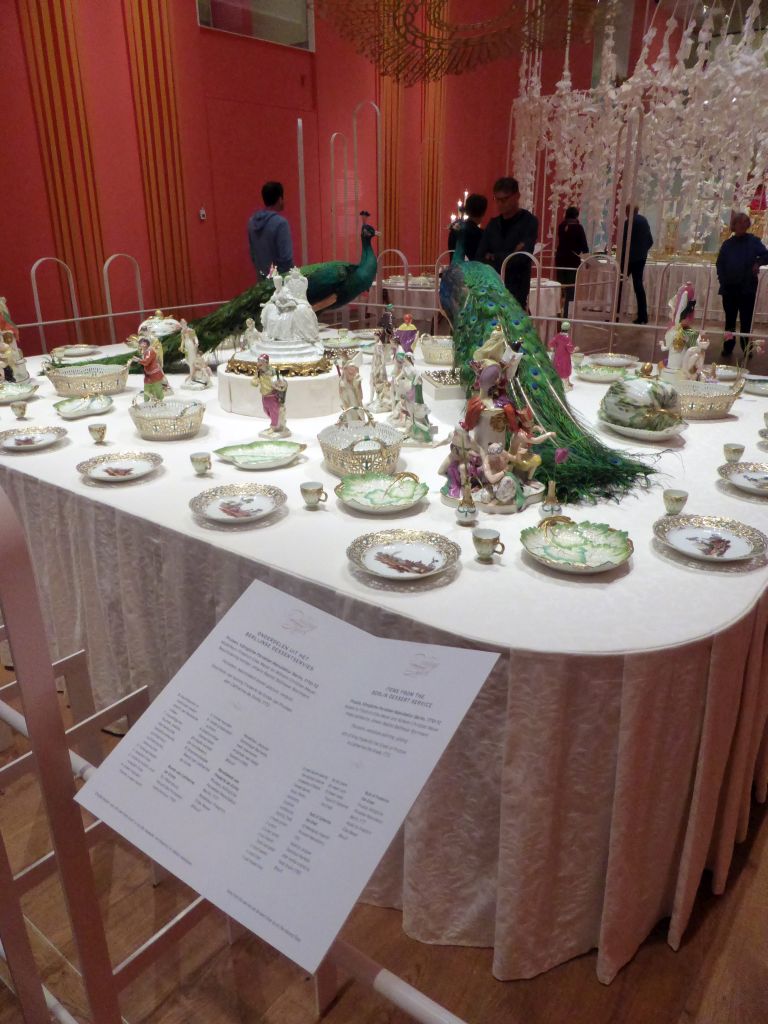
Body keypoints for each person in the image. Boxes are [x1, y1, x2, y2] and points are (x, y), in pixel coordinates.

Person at [475, 177, 538, 309]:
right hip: (491, 290)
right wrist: (509, 254)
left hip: (516, 290)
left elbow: (521, 258)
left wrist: (493, 256)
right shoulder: (493, 224)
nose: (500, 204)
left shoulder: (529, 222)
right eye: (497, 199)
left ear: (517, 196)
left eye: (504, 199)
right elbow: (479, 257)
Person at [716, 212, 768, 358]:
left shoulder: (753, 241)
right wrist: (722, 279)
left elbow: (766, 255)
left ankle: (747, 348)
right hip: (729, 288)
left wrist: (758, 263)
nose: (742, 225)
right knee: (730, 320)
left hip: (747, 287)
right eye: (739, 223)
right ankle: (728, 347)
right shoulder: (727, 244)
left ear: (747, 225)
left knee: (746, 320)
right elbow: (720, 263)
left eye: (745, 223)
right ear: (734, 225)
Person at [247, 181, 293, 278]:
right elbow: (286, 260)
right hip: (280, 283)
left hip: (262, 282)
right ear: (280, 199)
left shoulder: (251, 222)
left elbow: (253, 255)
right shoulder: (281, 223)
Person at [618, 206, 654, 324]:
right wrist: (642, 251)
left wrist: (623, 255)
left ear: (628, 211)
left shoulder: (629, 222)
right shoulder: (644, 221)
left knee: (620, 284)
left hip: (628, 258)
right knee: (638, 286)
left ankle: (616, 313)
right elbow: (650, 240)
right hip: (641, 258)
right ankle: (643, 315)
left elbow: (624, 241)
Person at [554, 207, 588, 317]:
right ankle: (567, 314)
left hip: (560, 259)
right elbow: (585, 247)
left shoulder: (561, 226)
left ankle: (557, 312)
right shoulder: (578, 228)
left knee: (560, 287)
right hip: (572, 261)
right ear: (576, 216)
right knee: (571, 289)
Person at [447, 193, 488, 260]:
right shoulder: (480, 234)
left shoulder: (454, 229)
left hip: (454, 269)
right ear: (483, 213)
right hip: (472, 269)